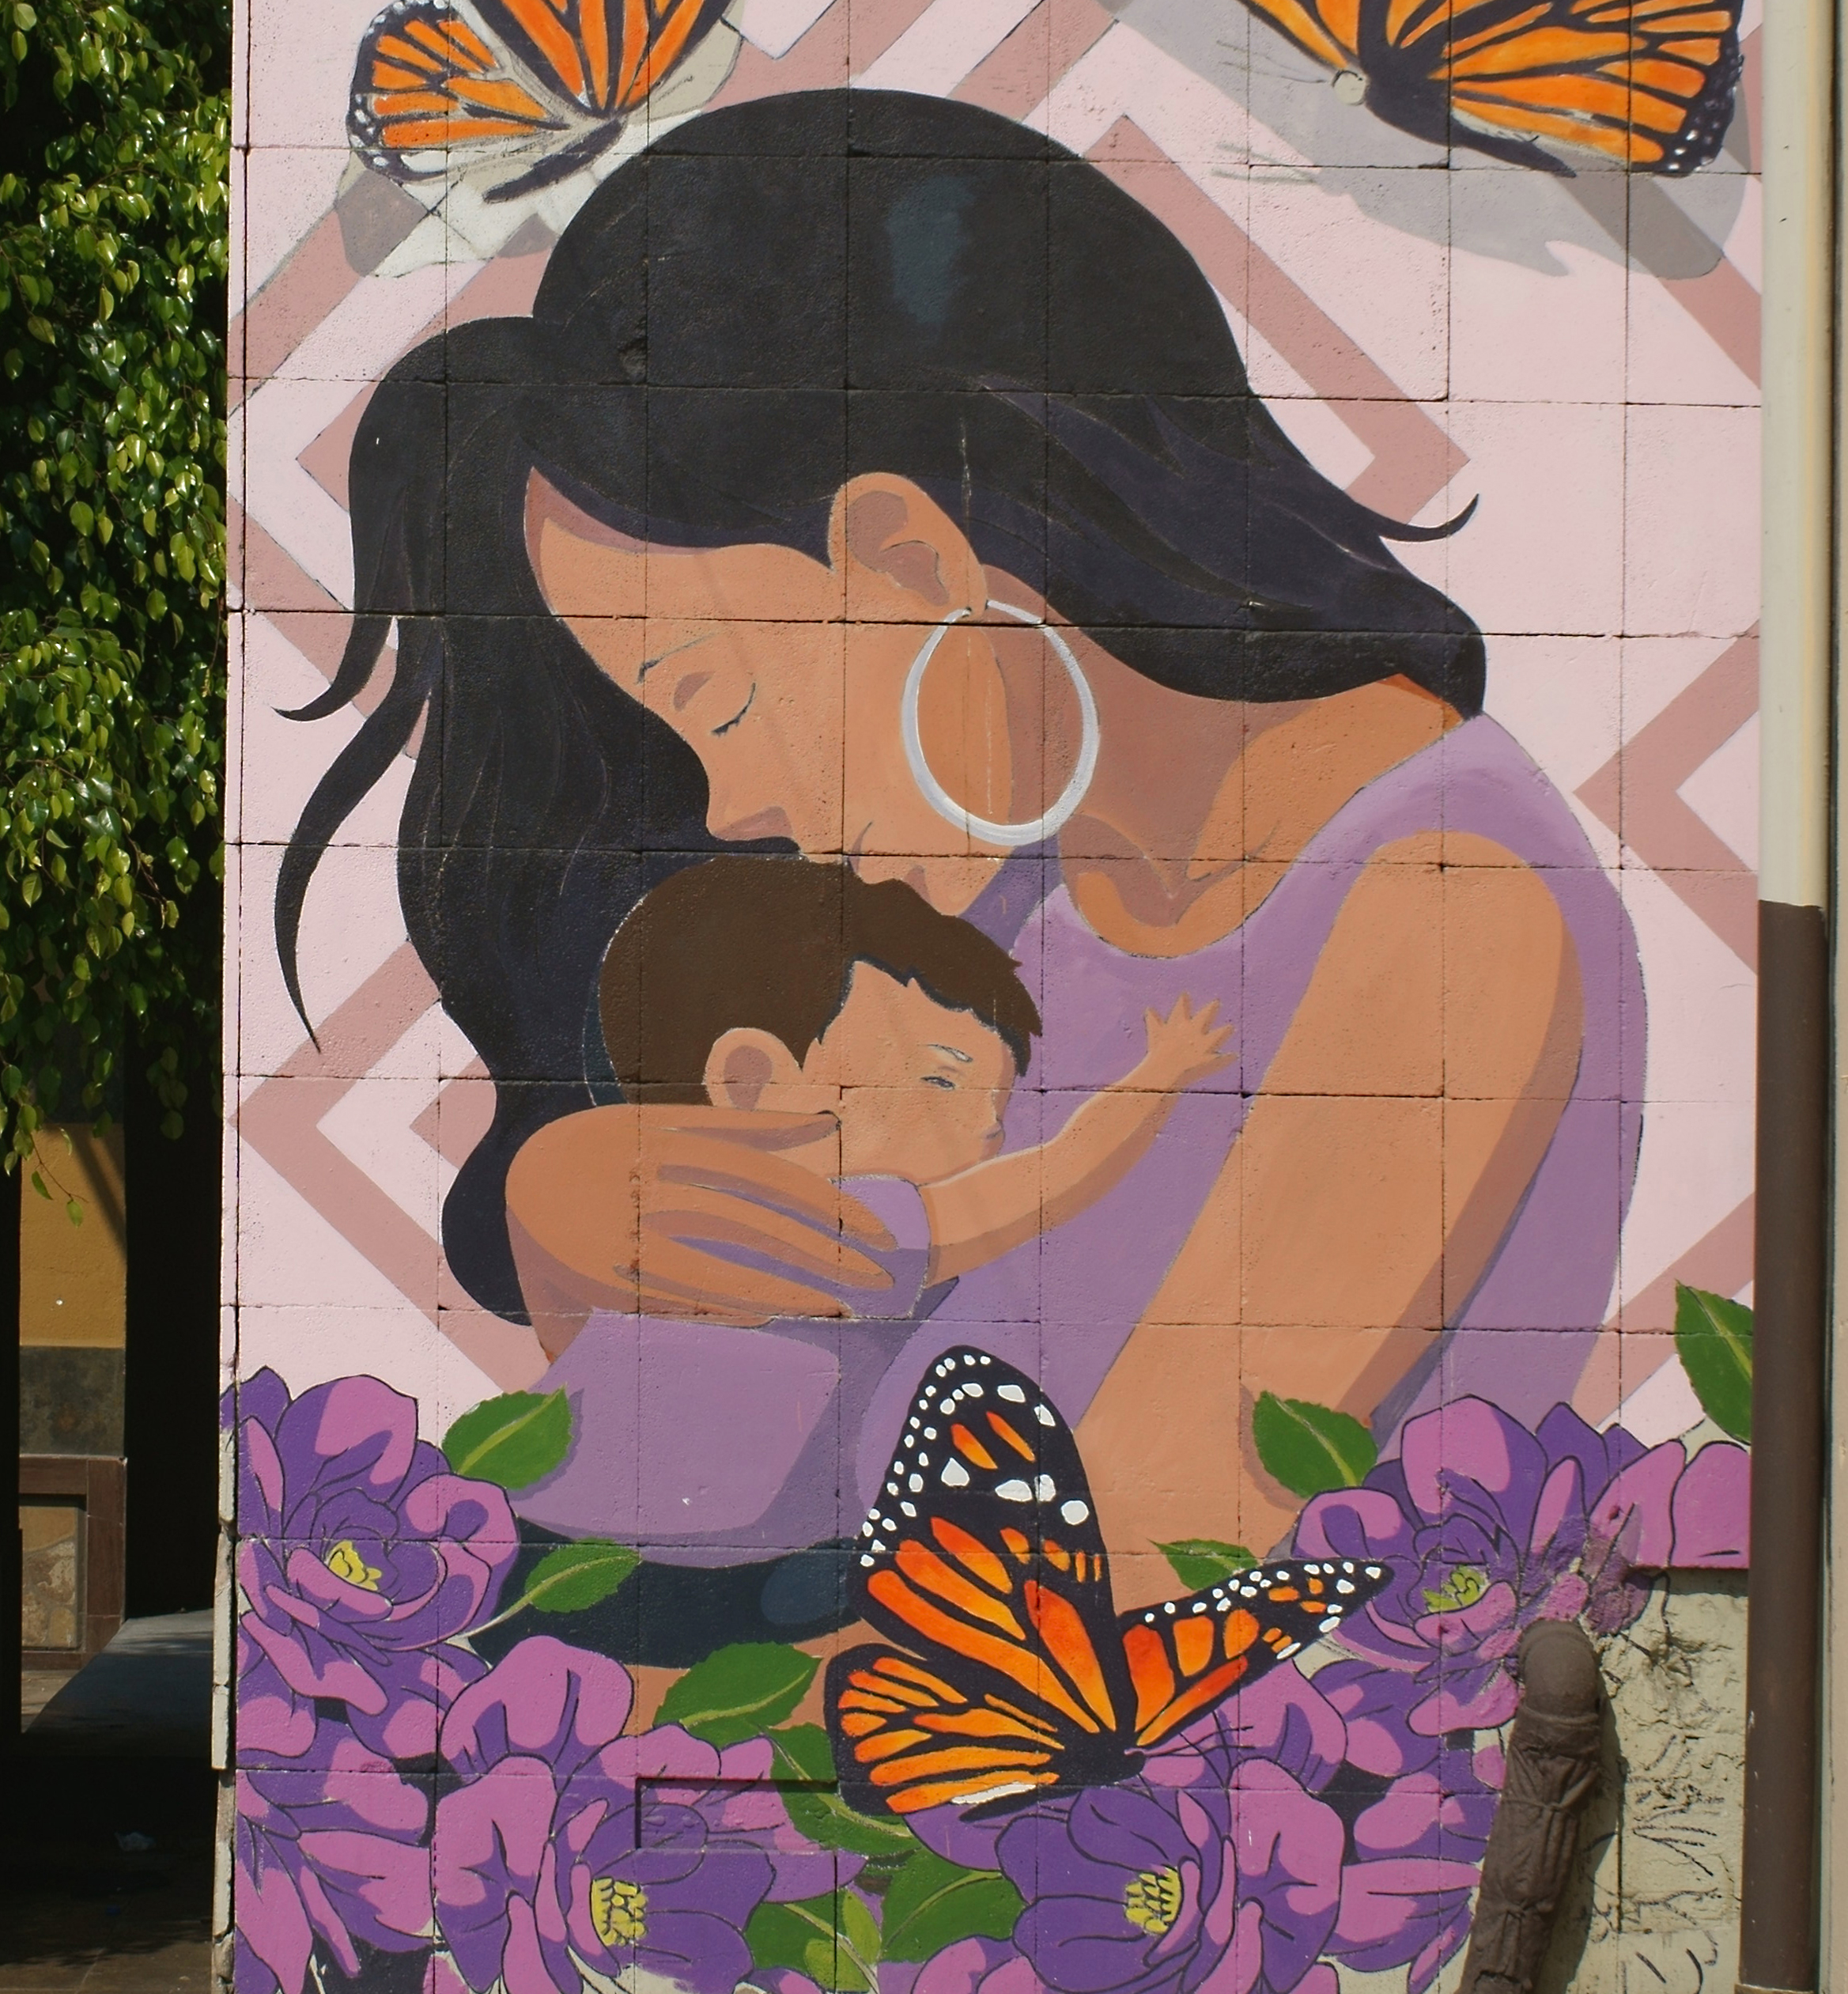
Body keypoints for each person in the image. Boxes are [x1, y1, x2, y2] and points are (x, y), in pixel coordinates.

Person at [280, 91, 1642, 1609]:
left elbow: (1126, 1573)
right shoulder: (1022, 894)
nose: (729, 805)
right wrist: (584, 1215)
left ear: (912, 559)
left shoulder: (1445, 901)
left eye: (711, 701)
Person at [522, 854, 1229, 1629]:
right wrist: (1159, 1075)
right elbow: (1048, 1178)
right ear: (751, 1081)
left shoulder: (651, 1221)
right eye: (941, 1083)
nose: (982, 1135)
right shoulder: (839, 1220)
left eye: (992, 1108)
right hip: (722, 1552)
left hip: (555, 1521)